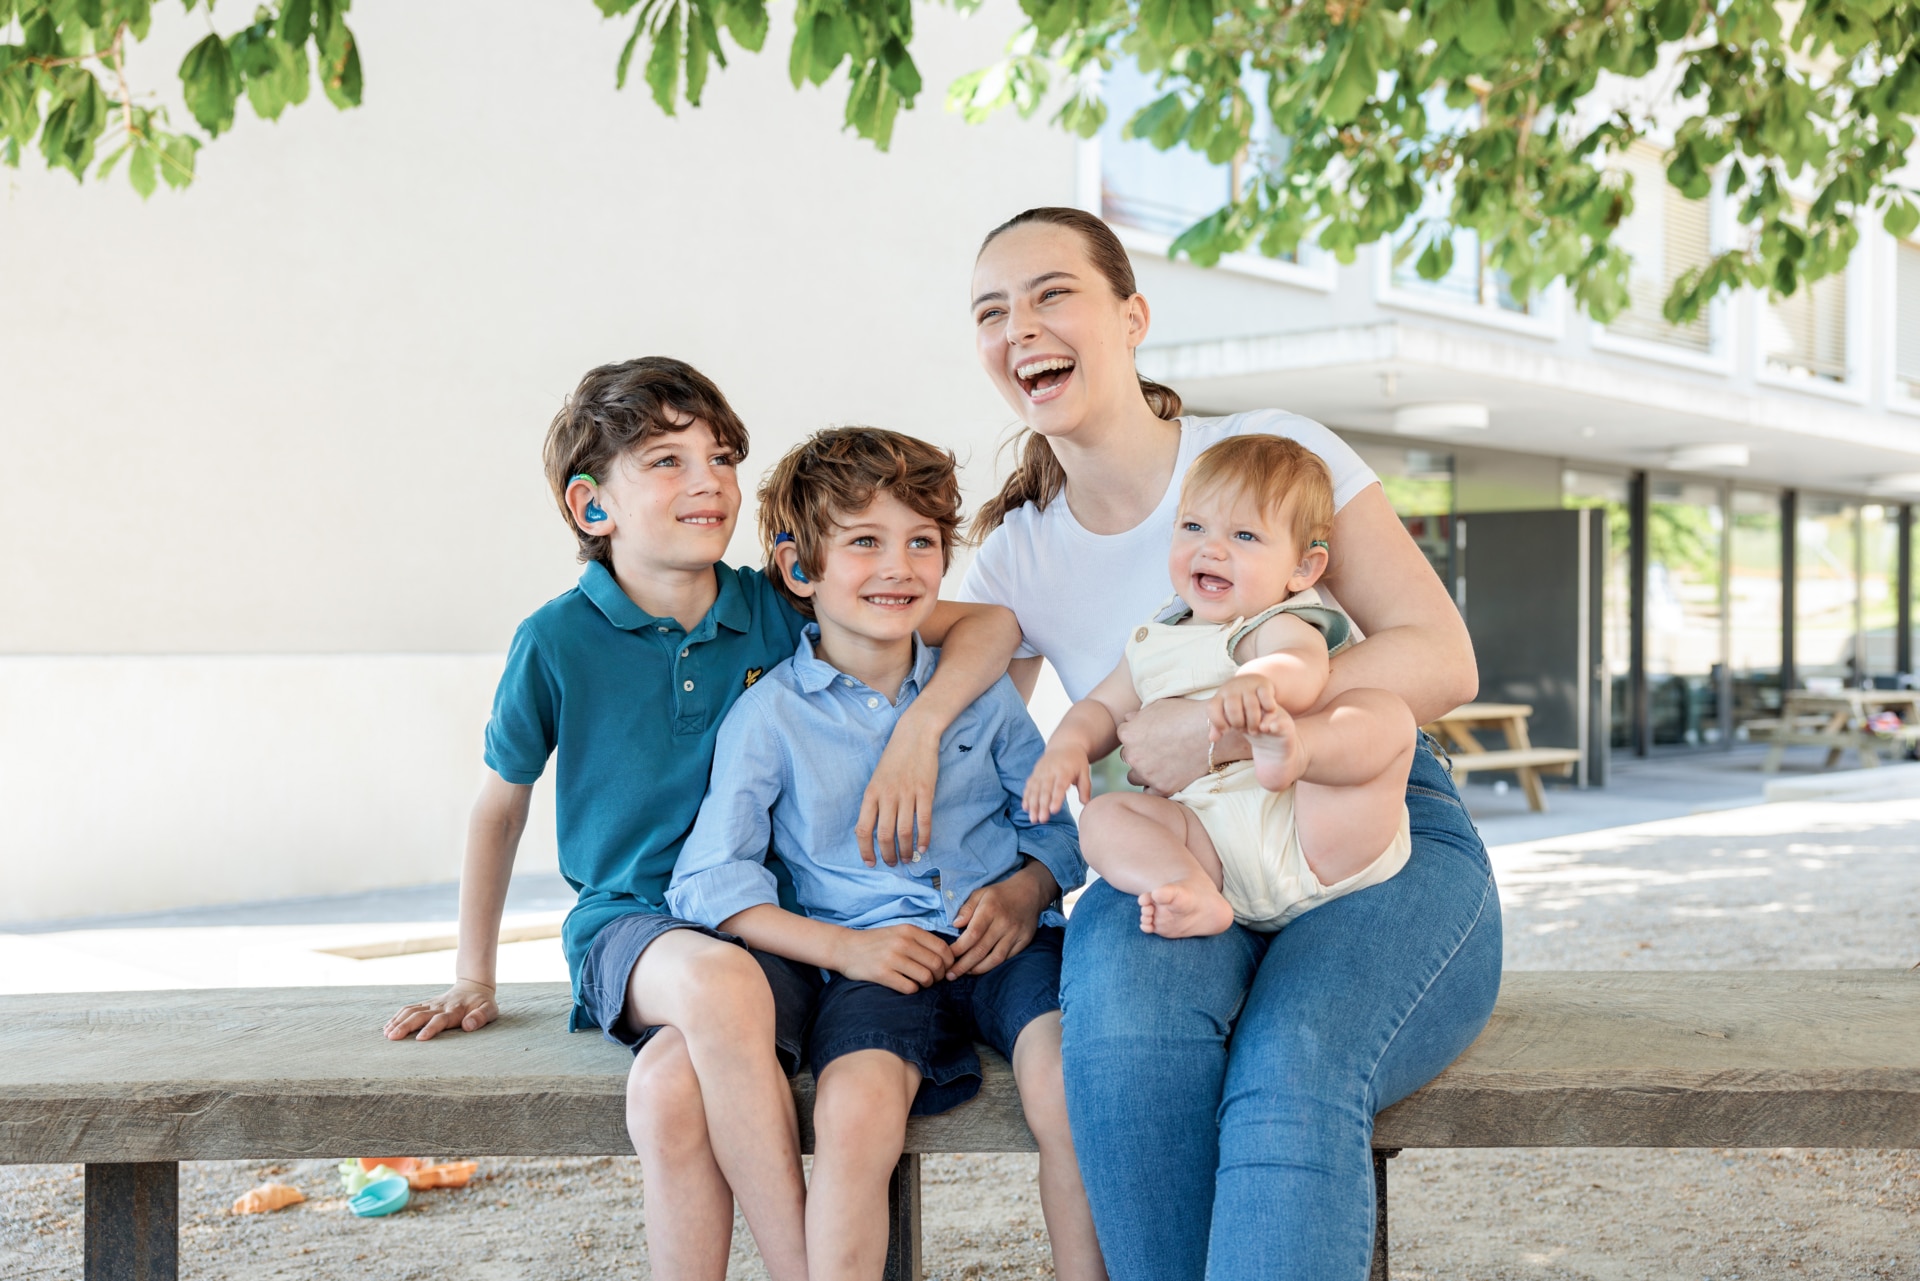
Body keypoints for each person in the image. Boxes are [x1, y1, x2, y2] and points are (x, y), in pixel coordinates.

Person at [381, 360, 1022, 1281]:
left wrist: (921, 729)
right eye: (667, 461)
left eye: (720, 456)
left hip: (777, 930)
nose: (709, 479)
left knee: (670, 1088)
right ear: (592, 506)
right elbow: (500, 807)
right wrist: (472, 975)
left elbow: (991, 625)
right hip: (636, 925)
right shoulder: (555, 641)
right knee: (717, 986)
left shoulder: (773, 604)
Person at [961, 207, 1504, 1280]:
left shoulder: (1262, 452)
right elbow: (973, 746)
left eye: (1051, 293)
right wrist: (1021, 876)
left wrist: (1218, 725)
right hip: (1182, 850)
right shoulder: (1017, 555)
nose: (1020, 325)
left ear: (1132, 316)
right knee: (1122, 1052)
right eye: (991, 311)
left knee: (1293, 1068)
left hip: (1356, 824)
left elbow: (1442, 659)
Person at [667, 427, 1106, 1281]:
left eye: (922, 542)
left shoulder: (975, 693)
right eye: (864, 542)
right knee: (855, 1109)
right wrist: (843, 947)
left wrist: (1030, 887)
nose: (898, 566)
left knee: (1065, 1084)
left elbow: (1055, 821)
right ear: (801, 570)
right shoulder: (771, 718)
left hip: (1007, 942)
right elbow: (710, 881)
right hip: (868, 962)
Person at [1024, 434, 1415, 939]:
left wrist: (1256, 682)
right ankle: (1184, 887)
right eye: (1193, 526)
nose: (1211, 548)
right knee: (1102, 817)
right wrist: (1067, 746)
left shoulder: (1273, 620)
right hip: (1212, 846)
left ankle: (1298, 752)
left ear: (1302, 568)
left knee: (1382, 713)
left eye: (1245, 536)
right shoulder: (1154, 639)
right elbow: (1102, 704)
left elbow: (1301, 664)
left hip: (1313, 826)